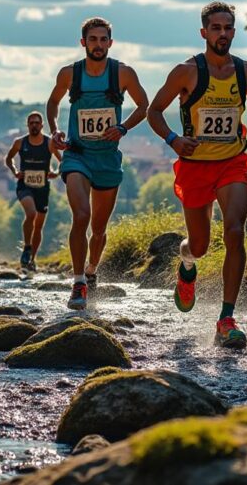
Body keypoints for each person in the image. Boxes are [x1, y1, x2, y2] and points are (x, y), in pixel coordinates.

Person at [146, 1, 247, 349]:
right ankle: (186, 264)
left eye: (228, 28)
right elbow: (155, 111)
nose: (223, 34)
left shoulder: (246, 71)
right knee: (199, 245)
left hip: (232, 162)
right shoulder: (186, 72)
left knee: (235, 231)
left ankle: (226, 319)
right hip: (195, 166)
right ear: (204, 32)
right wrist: (173, 139)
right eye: (216, 28)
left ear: (234, 31)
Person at [46, 17, 149, 310]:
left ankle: (92, 270)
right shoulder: (70, 74)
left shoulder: (123, 73)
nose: (98, 44)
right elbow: (53, 103)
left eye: (103, 39)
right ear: (83, 42)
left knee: (99, 229)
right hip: (77, 155)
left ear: (110, 43)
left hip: (106, 158)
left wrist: (123, 127)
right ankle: (78, 282)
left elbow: (144, 106)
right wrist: (55, 130)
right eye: (93, 39)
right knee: (81, 215)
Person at [4, 111, 62, 271]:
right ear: (27, 125)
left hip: (42, 188)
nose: (34, 125)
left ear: (42, 125)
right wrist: (15, 171)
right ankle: (27, 247)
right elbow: (8, 158)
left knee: (38, 226)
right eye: (31, 123)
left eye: (37, 123)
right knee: (31, 214)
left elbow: (62, 161)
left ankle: (32, 260)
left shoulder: (49, 143)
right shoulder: (19, 142)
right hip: (25, 186)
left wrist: (56, 173)